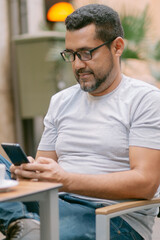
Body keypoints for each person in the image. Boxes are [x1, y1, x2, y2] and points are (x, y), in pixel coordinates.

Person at [0, 3, 160, 240]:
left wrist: (65, 180)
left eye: (86, 53)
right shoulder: (61, 101)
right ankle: (22, 222)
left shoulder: (145, 100)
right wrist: (29, 172)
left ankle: (26, 225)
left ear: (117, 47)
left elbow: (145, 183)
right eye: (71, 54)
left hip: (109, 216)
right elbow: (45, 166)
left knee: (51, 234)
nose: (77, 65)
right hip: (54, 202)